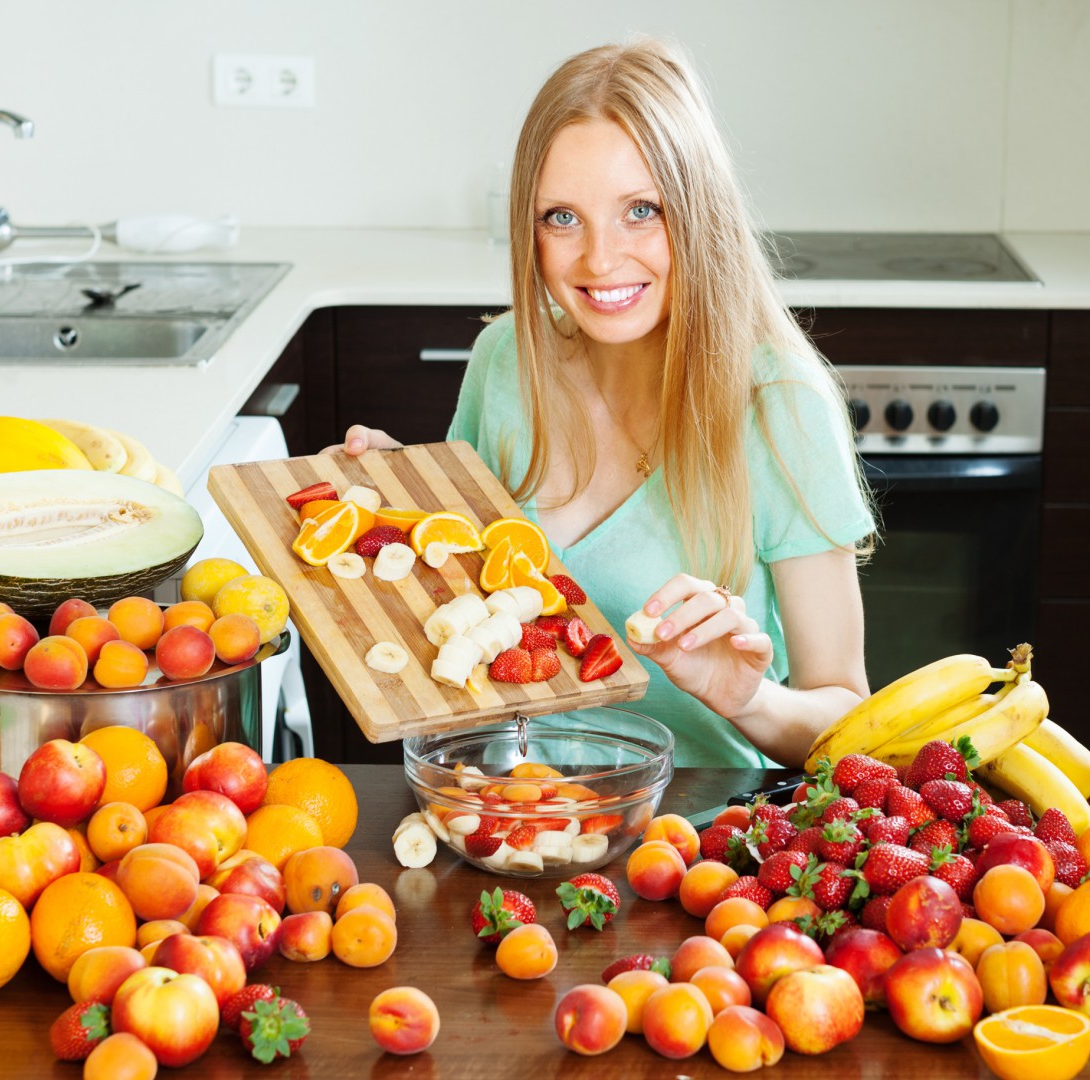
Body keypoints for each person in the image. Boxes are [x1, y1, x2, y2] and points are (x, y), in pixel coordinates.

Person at [326, 37, 876, 769]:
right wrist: (394, 506)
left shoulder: (779, 405)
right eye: (562, 217)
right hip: (504, 800)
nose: (601, 259)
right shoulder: (506, 360)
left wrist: (749, 700)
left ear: (699, 211)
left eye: (640, 210)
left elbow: (847, 716)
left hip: (696, 825)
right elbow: (470, 587)